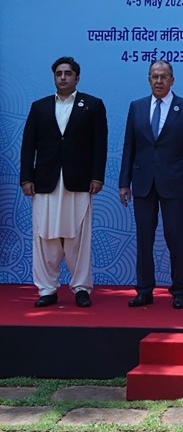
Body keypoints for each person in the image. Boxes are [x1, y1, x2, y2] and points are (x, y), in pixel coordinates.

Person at [20, 56, 107, 308]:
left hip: (78, 181)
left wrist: (97, 176)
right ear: (54, 77)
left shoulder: (92, 105)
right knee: (44, 236)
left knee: (78, 237)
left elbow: (99, 145)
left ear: (77, 77)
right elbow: (28, 146)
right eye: (59, 73)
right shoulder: (40, 107)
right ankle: (47, 289)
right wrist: (26, 177)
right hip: (45, 181)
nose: (63, 77)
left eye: (68, 73)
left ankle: (81, 288)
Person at [118, 60, 183, 309]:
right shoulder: (137, 107)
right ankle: (144, 290)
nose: (158, 81)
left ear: (172, 80)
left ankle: (178, 290)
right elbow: (129, 147)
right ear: (148, 79)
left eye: (163, 77)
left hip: (175, 184)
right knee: (144, 238)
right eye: (154, 76)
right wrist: (124, 182)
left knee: (176, 237)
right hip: (143, 182)